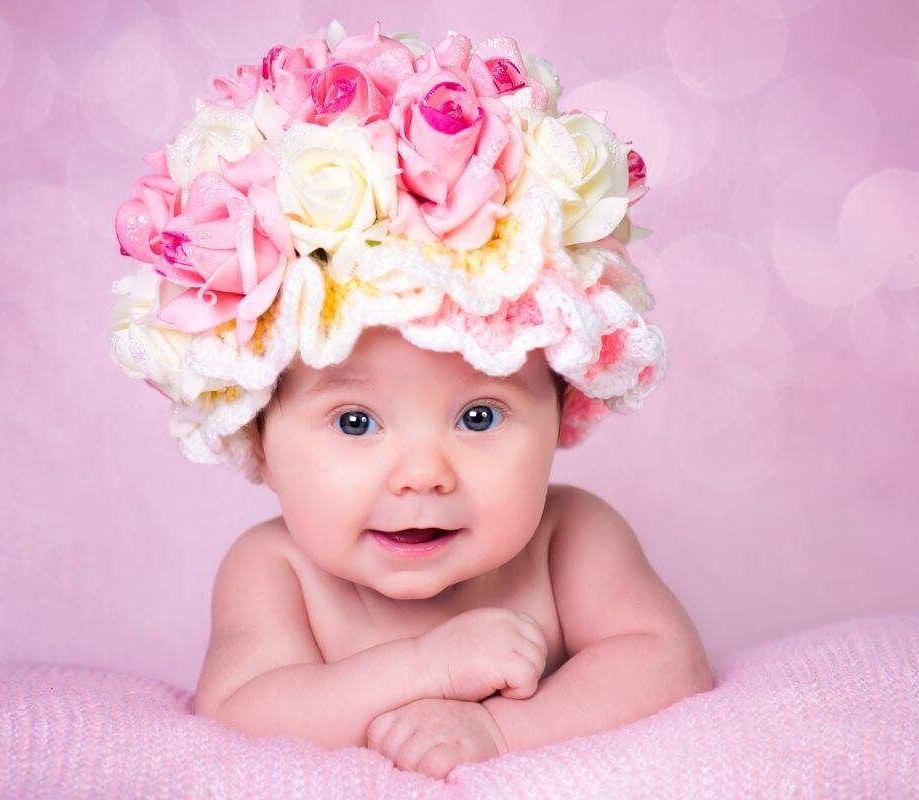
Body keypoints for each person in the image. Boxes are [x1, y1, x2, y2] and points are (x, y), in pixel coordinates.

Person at [107, 19, 713, 780]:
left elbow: (667, 662)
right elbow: (241, 710)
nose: (423, 473)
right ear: (257, 437)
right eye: (355, 422)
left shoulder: (572, 539)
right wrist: (426, 665)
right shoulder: (276, 570)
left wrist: (499, 735)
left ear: (564, 410)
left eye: (479, 416)